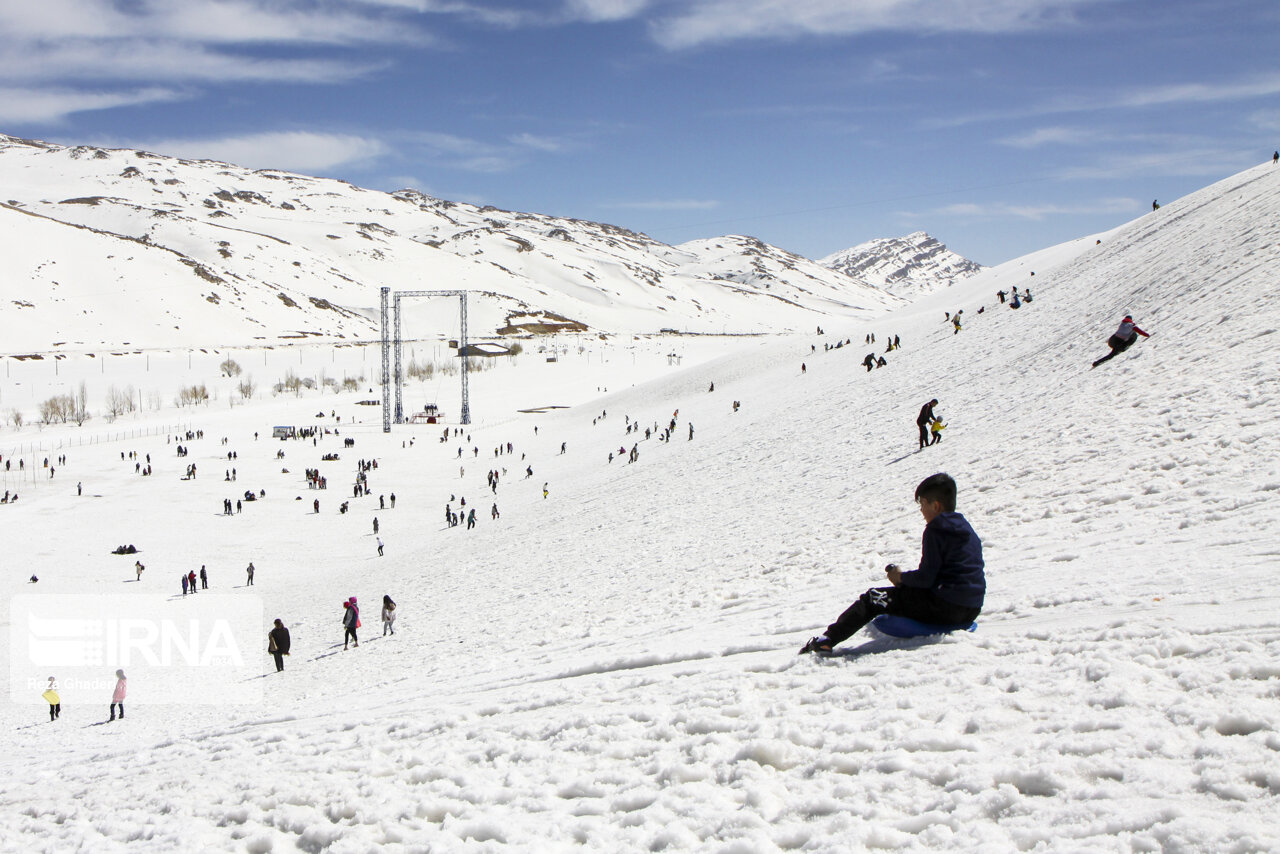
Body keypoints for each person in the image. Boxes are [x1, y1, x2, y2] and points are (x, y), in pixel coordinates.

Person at [801, 473, 985, 654]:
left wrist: (900, 578)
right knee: (905, 592)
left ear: (935, 506)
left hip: (946, 607)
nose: (921, 510)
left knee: (873, 598)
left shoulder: (936, 529)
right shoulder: (966, 529)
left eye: (922, 504)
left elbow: (926, 578)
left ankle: (827, 640)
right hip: (972, 608)